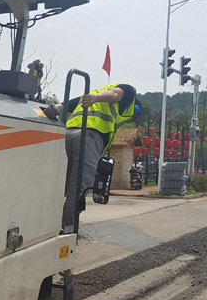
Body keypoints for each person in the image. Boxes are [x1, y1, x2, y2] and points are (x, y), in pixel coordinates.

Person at [44, 83, 141, 230]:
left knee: (60, 186)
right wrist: (96, 98)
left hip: (68, 134)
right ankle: (68, 232)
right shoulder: (129, 92)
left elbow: (74, 102)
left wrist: (55, 109)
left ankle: (44, 227)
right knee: (76, 190)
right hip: (88, 137)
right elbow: (116, 94)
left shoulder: (96, 94)